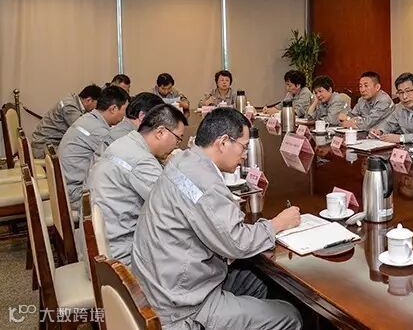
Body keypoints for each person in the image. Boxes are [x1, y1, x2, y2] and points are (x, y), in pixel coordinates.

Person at [132, 108, 302, 330]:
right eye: (243, 146)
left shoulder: (183, 160)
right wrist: (278, 223)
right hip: (182, 306)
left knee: (257, 280)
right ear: (223, 142)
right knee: (290, 316)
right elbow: (237, 242)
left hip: (160, 284)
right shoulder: (204, 182)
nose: (244, 154)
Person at [87, 104, 187, 265]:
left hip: (103, 245)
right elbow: (175, 205)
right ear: (160, 132)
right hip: (121, 256)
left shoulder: (127, 143)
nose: (177, 145)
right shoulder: (141, 160)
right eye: (178, 138)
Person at [58, 85, 129, 211]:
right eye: (125, 110)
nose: (124, 116)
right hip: (76, 194)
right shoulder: (98, 131)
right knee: (129, 200)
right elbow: (122, 158)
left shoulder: (89, 119)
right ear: (113, 109)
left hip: (65, 186)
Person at [30, 84, 101, 158]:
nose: (96, 109)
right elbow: (83, 129)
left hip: (51, 144)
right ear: (89, 100)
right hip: (44, 146)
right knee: (83, 156)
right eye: (97, 105)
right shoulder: (69, 106)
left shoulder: (73, 101)